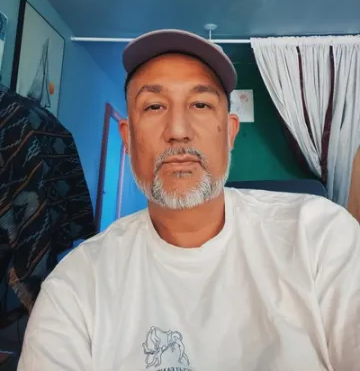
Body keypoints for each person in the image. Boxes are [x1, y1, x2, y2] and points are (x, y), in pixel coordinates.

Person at [18, 30, 360, 370]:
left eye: (200, 104)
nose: (178, 129)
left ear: (230, 133)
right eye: (154, 106)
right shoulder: (76, 286)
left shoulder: (320, 234)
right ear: (128, 138)